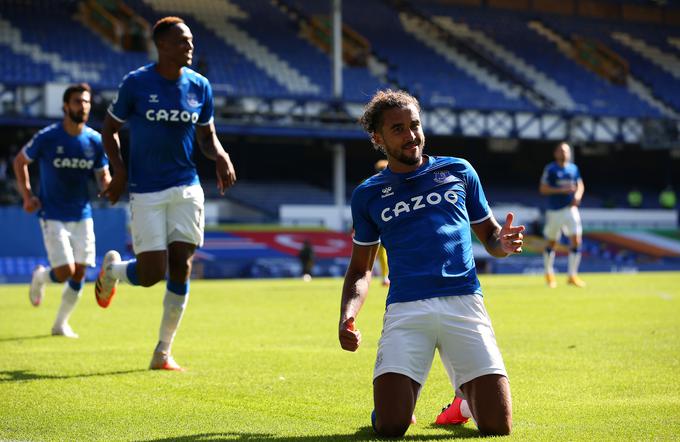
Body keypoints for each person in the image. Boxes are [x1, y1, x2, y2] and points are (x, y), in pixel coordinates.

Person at [338, 90, 524, 437]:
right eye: (398, 128)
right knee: (391, 426)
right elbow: (361, 269)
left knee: (498, 427)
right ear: (378, 138)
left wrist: (505, 244)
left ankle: (464, 402)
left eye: (415, 125)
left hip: (464, 302)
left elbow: (491, 237)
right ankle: (395, 406)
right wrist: (347, 315)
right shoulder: (367, 194)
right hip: (406, 308)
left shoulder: (459, 170)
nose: (411, 135)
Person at [96, 16, 236, 371]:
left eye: (191, 41)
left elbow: (206, 136)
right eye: (181, 41)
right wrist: (120, 169)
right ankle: (113, 271)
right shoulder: (137, 83)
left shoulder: (200, 86)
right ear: (161, 45)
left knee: (182, 264)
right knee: (150, 274)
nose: (189, 47)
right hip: (146, 189)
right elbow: (109, 129)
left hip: (186, 185)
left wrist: (219, 154)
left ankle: (163, 350)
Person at [13, 83, 111, 338]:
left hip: (82, 214)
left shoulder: (95, 140)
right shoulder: (48, 137)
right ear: (66, 106)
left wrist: (110, 186)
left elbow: (104, 177)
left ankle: (60, 324)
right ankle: (41, 277)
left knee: (80, 272)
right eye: (78, 101)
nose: (84, 106)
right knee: (64, 272)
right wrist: (27, 196)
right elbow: (20, 161)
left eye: (87, 102)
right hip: (52, 213)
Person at [539, 142, 586, 288]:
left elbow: (580, 184)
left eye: (566, 151)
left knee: (576, 240)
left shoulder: (574, 168)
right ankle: (549, 274)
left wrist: (578, 195)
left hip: (571, 209)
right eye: (561, 151)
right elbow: (543, 189)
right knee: (552, 242)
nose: (564, 153)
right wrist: (561, 190)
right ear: (556, 153)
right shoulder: (551, 169)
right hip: (555, 210)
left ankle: (572, 275)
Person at [373, 159, 390, 287]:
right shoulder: (372, 184)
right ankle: (385, 277)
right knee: (381, 252)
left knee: (382, 252)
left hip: (388, 222)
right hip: (380, 223)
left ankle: (386, 277)